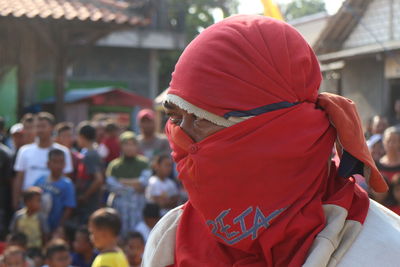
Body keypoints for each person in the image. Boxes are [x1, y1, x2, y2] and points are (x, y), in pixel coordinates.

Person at [143, 15, 400, 266]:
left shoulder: (383, 250)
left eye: (202, 119)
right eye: (175, 118)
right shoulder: (169, 239)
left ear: (282, 131)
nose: (184, 139)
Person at [13, 112, 73, 210]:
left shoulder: (63, 152)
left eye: (43, 126)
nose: (39, 130)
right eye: (37, 126)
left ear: (52, 128)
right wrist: (15, 202)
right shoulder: (24, 151)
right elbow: (19, 178)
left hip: (54, 205)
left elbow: (65, 178)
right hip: (27, 204)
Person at [105, 131, 149, 235]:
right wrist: (134, 185)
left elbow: (144, 182)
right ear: (121, 146)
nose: (129, 147)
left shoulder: (143, 163)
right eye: (126, 144)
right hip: (120, 207)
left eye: (132, 144)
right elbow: (112, 186)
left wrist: (122, 181)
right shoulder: (114, 165)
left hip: (138, 206)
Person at [33, 149, 76, 233]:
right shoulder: (40, 180)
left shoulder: (67, 184)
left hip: (54, 226)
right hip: (37, 225)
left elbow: (69, 208)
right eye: (55, 162)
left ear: (64, 164)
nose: (58, 165)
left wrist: (59, 227)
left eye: (61, 162)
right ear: (48, 164)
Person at [75, 122, 103, 225]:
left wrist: (85, 196)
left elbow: (98, 180)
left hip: (90, 203)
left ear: (81, 136)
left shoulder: (91, 154)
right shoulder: (85, 152)